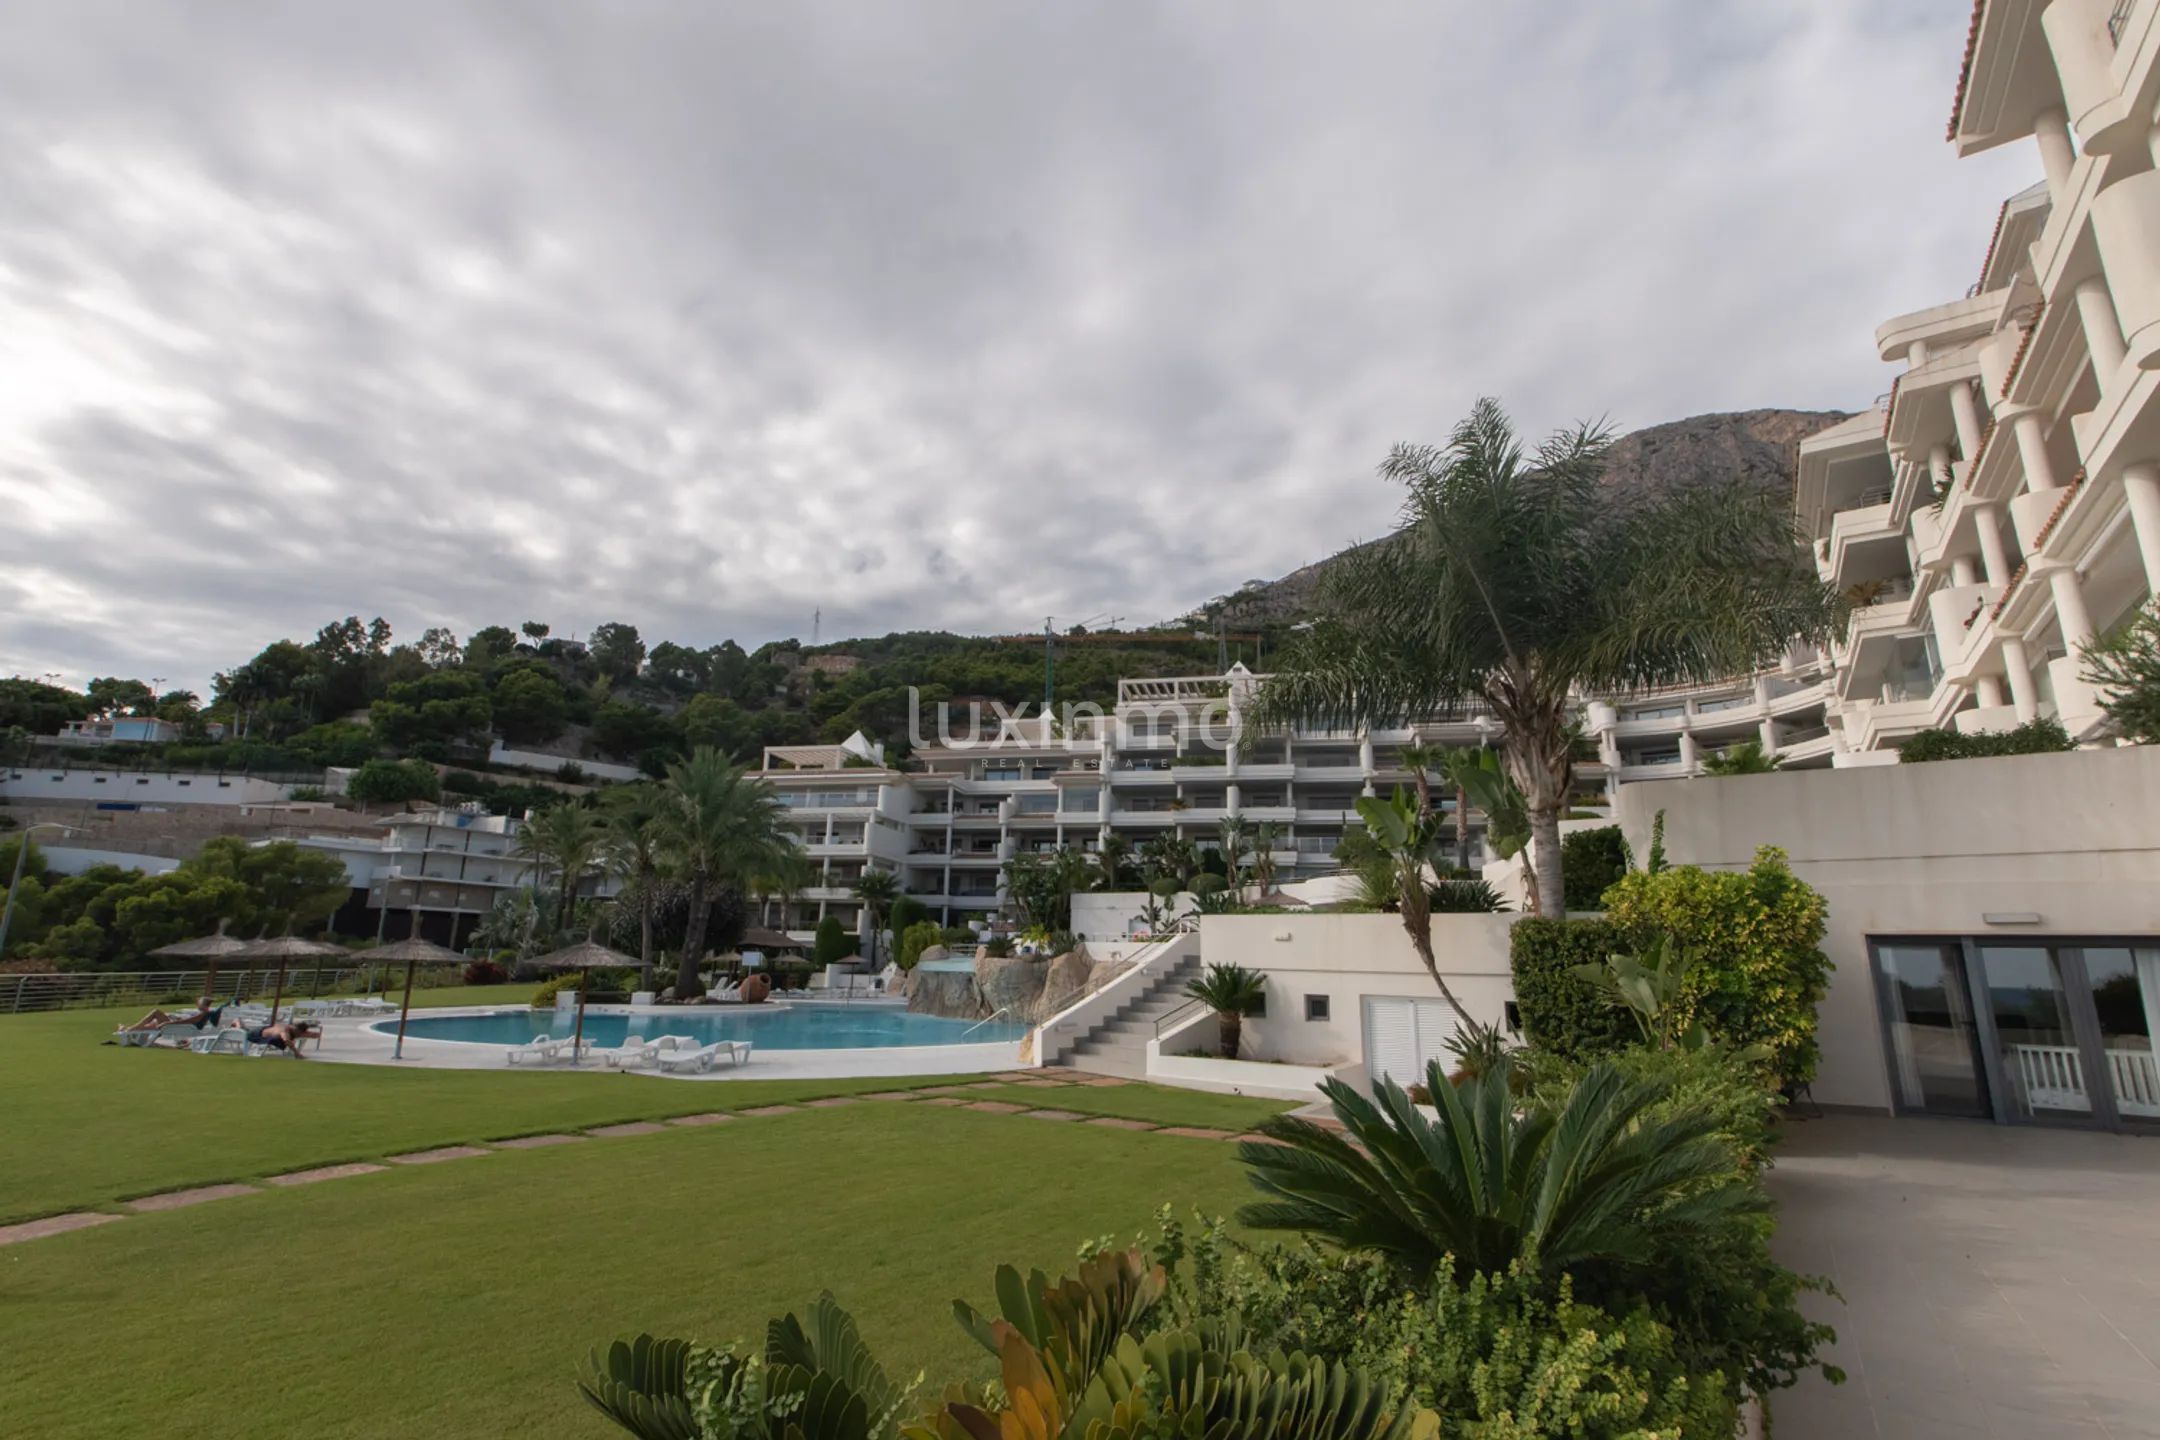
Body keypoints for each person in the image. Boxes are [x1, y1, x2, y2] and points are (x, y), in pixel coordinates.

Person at [117, 999, 221, 1035]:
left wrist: (168, 1022)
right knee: (153, 1024)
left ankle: (129, 1029)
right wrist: (175, 1018)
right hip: (183, 1026)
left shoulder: (203, 1014)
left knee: (156, 1012)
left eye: (199, 1003)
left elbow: (187, 1022)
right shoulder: (203, 1013)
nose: (197, 1004)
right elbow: (187, 1020)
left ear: (203, 1004)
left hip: (183, 1028)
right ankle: (127, 1029)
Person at [242, 1020, 314, 1055]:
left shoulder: (290, 1027)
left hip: (264, 1030)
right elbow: (286, 1040)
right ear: (297, 1030)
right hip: (256, 1034)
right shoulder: (284, 1031)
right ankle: (240, 1026)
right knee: (244, 1031)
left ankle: (241, 1026)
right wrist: (297, 1053)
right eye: (299, 1033)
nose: (299, 1035)